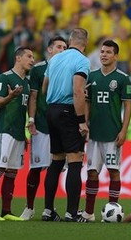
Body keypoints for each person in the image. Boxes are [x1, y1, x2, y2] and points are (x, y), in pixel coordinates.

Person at [41, 28, 90, 222]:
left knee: (56, 160)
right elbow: (78, 91)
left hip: (51, 110)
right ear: (85, 44)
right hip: (68, 112)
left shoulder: (55, 59)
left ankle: (48, 210)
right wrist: (81, 121)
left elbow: (45, 87)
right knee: (75, 160)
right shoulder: (82, 61)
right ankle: (71, 212)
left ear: (70, 40)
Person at [81, 40, 131, 222]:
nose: (103, 55)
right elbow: (87, 102)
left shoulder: (122, 78)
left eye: (108, 52)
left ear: (115, 56)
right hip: (94, 133)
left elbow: (127, 106)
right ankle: (88, 213)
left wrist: (124, 130)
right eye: (102, 52)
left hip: (112, 134)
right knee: (92, 172)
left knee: (113, 171)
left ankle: (112, 211)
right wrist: (85, 123)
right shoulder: (92, 76)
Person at [20, 36, 67, 221]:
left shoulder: (67, 68)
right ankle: (29, 207)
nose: (62, 50)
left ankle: (49, 207)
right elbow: (33, 96)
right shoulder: (39, 69)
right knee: (36, 167)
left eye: (65, 47)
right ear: (49, 50)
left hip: (61, 125)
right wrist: (31, 118)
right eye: (58, 46)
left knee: (54, 167)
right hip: (41, 124)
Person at [0, 47, 35, 221]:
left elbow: (27, 109)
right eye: (29, 56)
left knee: (12, 172)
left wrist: (27, 129)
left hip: (19, 133)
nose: (32, 60)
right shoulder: (4, 77)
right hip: (4, 131)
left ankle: (6, 211)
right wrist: (11, 96)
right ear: (18, 58)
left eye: (33, 57)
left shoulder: (27, 83)